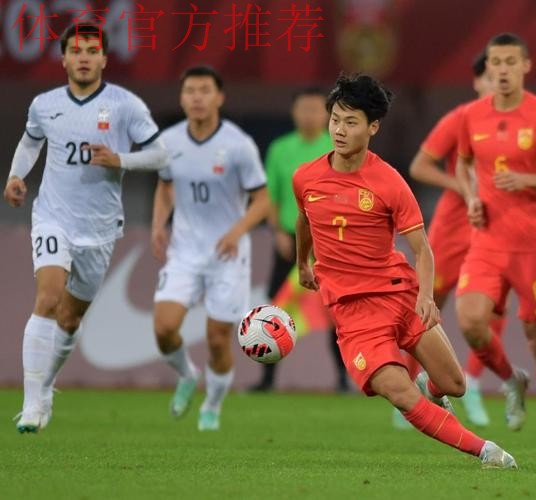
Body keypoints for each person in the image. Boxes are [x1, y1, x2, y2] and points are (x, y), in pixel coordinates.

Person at [293, 73, 517, 469]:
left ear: (373, 127)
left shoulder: (389, 182)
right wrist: (302, 262)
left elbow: (422, 249)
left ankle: (432, 388)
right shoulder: (306, 178)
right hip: (353, 312)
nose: (339, 130)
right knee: (398, 391)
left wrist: (425, 296)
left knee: (454, 385)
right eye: (335, 120)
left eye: (351, 122)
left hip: (399, 294)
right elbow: (305, 219)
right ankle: (485, 451)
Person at [4, 24, 168, 433]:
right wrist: (15, 175)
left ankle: (47, 385)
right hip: (53, 217)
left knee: (70, 318)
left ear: (104, 59)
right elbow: (31, 142)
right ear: (63, 58)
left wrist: (120, 160)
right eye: (76, 50)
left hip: (99, 228)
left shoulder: (125, 105)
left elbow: (161, 155)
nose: (83, 57)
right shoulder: (44, 104)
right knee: (48, 297)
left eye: (92, 51)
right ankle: (31, 404)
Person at [455, 33, 536, 447]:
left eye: (510, 62)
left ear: (526, 66)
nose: (502, 70)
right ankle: (511, 379)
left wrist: (526, 179)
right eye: (496, 62)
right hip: (487, 242)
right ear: (487, 67)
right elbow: (463, 164)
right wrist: (471, 197)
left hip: (533, 245)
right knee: (470, 321)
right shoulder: (472, 115)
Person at [151, 65, 269, 431]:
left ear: (219, 97)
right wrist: (158, 224)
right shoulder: (168, 142)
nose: (197, 98)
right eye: (190, 91)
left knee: (218, 340)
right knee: (164, 329)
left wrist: (236, 232)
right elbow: (165, 186)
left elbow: (263, 200)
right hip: (184, 252)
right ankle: (187, 374)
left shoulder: (238, 145)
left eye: (205, 90)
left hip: (227, 255)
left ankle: (212, 406)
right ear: (181, 98)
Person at [403, 51, 503, 428]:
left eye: (504, 74)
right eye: (490, 76)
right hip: (453, 227)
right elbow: (419, 166)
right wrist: (461, 186)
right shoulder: (460, 119)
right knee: (429, 304)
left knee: (492, 308)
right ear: (477, 81)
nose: (498, 82)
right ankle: (410, 386)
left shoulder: (523, 124)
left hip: (495, 228)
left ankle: (472, 382)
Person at [247, 88, 349, 394]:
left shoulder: (336, 146)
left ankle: (344, 379)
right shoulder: (280, 149)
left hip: (328, 241)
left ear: (327, 114)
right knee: (275, 309)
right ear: (294, 113)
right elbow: (271, 196)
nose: (309, 115)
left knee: (337, 310)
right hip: (289, 240)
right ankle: (267, 379)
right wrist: (277, 232)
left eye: (315, 109)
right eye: (303, 109)